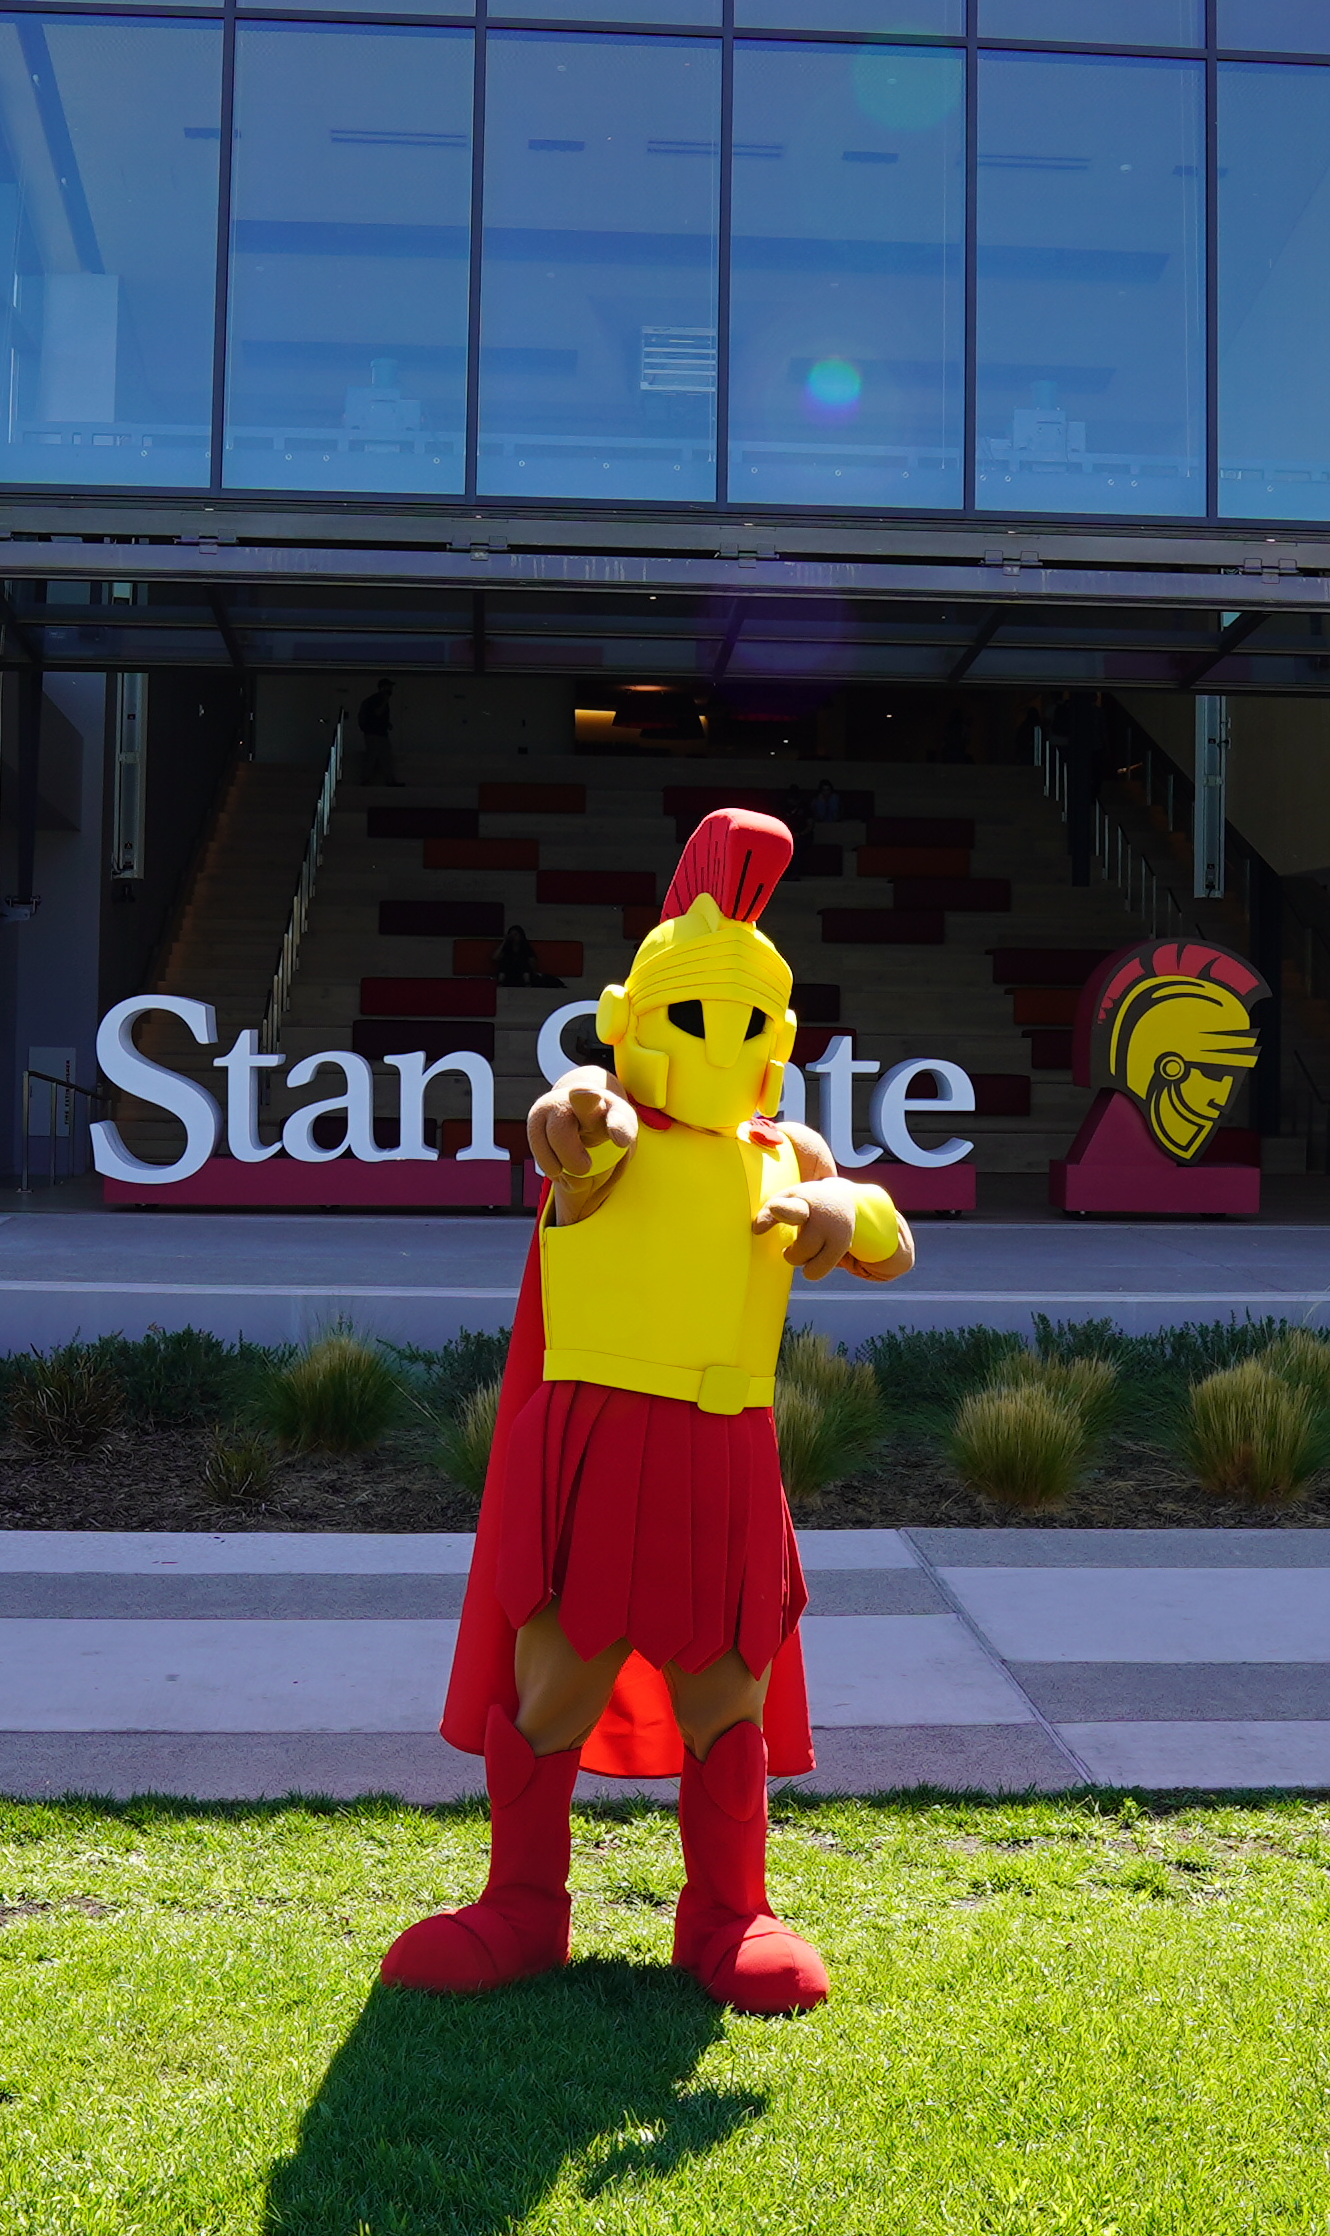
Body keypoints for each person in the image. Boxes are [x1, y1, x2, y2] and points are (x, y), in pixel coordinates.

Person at [386, 811, 919, 2016]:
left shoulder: (790, 1149)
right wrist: (579, 1119)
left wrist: (850, 1214)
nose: (720, 1041)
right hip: (597, 1449)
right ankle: (522, 1903)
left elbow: (889, 1229)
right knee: (555, 1686)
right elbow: (570, 1131)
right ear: (630, 1020)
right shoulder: (605, 1119)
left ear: (778, 1037)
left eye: (746, 1020)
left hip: (726, 1458)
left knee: (727, 1689)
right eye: (695, 1014)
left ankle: (729, 1914)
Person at [355, 679, 399, 787]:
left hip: (380, 733)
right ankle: (365, 780)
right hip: (374, 733)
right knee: (373, 757)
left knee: (385, 757)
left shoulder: (375, 700)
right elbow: (377, 713)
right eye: (389, 687)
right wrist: (385, 702)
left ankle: (390, 780)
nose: (391, 689)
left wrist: (387, 724)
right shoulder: (376, 700)